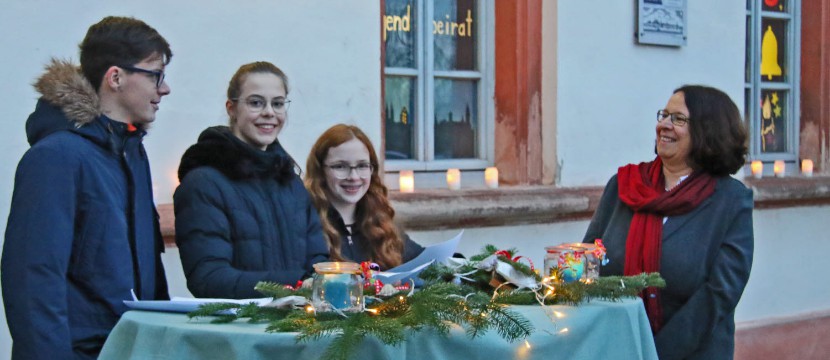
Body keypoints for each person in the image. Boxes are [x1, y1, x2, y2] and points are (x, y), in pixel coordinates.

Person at [2, 16, 172, 359]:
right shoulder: (57, 156)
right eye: (155, 75)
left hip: (129, 349)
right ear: (116, 77)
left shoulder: (131, 154)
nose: (164, 88)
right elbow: (33, 278)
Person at [583, 85, 754, 359]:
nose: (664, 125)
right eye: (663, 115)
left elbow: (719, 293)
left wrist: (651, 353)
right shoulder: (624, 187)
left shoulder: (730, 200)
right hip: (613, 347)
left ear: (707, 130)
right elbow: (587, 261)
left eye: (678, 119)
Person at [175, 61, 329, 299]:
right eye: (256, 103)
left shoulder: (291, 184)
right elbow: (208, 278)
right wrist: (298, 284)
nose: (269, 112)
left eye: (277, 103)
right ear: (232, 108)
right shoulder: (203, 184)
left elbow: (318, 261)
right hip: (239, 322)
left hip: (298, 319)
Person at [304, 124, 424, 270]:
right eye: (340, 166)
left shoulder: (379, 221)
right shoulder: (305, 225)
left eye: (362, 166)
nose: (354, 177)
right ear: (320, 171)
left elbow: (423, 261)